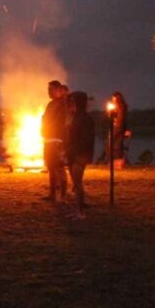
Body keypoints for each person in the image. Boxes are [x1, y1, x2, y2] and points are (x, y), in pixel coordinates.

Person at [65, 91, 95, 220]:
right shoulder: (75, 116)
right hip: (73, 153)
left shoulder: (86, 118)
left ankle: (80, 212)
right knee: (75, 183)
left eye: (73, 101)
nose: (71, 103)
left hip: (80, 154)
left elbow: (85, 140)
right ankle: (77, 209)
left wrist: (71, 150)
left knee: (77, 182)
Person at [41, 80, 68, 202]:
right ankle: (52, 194)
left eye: (51, 89)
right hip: (48, 139)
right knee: (50, 167)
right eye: (48, 89)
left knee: (59, 167)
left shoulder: (63, 104)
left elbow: (61, 122)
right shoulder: (50, 104)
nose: (49, 92)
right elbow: (45, 118)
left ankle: (62, 195)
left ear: (59, 90)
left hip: (58, 140)